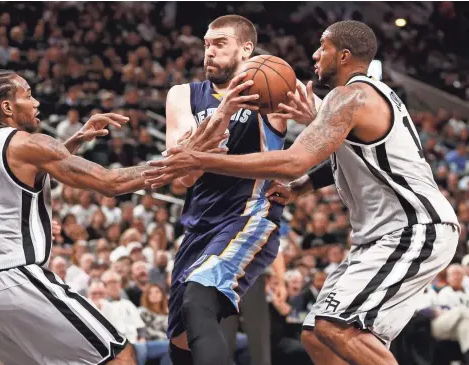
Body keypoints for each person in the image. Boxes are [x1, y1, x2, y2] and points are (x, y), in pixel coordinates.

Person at [145, 20, 460, 365]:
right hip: (385, 234)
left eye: (321, 48)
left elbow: (294, 161)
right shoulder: (352, 100)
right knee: (318, 335)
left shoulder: (352, 95)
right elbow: (342, 158)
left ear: (342, 56)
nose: (313, 55)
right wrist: (303, 187)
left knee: (338, 328)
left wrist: (201, 158)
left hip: (413, 226)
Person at [0, 69, 223, 365]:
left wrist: (76, 139)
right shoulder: (29, 144)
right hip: (11, 280)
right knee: (119, 356)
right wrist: (179, 162)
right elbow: (111, 183)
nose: (37, 102)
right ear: (7, 107)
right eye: (28, 95)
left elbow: (27, 166)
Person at [160, 14, 304, 365]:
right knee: (180, 341)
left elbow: (324, 139)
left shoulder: (273, 93)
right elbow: (183, 177)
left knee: (199, 301)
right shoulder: (183, 95)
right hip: (198, 226)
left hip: (250, 218)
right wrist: (223, 112)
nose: (208, 52)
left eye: (219, 43)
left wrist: (307, 181)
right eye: (206, 44)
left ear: (246, 48)